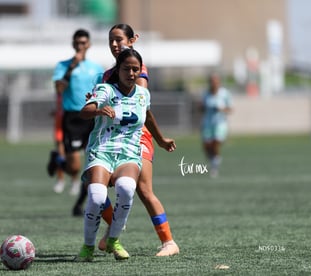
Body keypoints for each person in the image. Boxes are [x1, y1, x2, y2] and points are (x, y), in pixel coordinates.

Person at [73, 23, 180, 256]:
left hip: (135, 134)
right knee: (97, 185)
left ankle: (168, 242)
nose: (114, 44)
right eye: (111, 40)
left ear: (132, 41)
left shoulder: (137, 69)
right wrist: (94, 100)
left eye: (119, 39)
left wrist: (159, 139)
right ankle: (114, 228)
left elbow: (140, 107)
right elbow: (105, 98)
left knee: (142, 188)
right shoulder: (109, 73)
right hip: (111, 136)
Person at [47, 29, 103, 198]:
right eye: (77, 43)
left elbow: (103, 91)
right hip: (73, 117)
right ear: (73, 44)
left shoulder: (96, 68)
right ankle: (64, 167)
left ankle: (90, 186)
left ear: (89, 44)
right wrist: (71, 67)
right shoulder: (63, 66)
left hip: (93, 116)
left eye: (83, 43)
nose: (80, 46)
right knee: (74, 164)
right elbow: (59, 88)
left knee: (95, 156)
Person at [201, 73, 232, 178]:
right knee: (207, 146)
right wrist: (203, 107)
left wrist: (222, 109)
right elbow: (201, 108)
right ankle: (214, 160)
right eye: (212, 82)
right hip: (208, 123)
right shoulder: (206, 94)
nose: (214, 84)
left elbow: (230, 108)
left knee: (216, 143)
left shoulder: (224, 94)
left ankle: (215, 166)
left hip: (220, 123)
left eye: (216, 82)